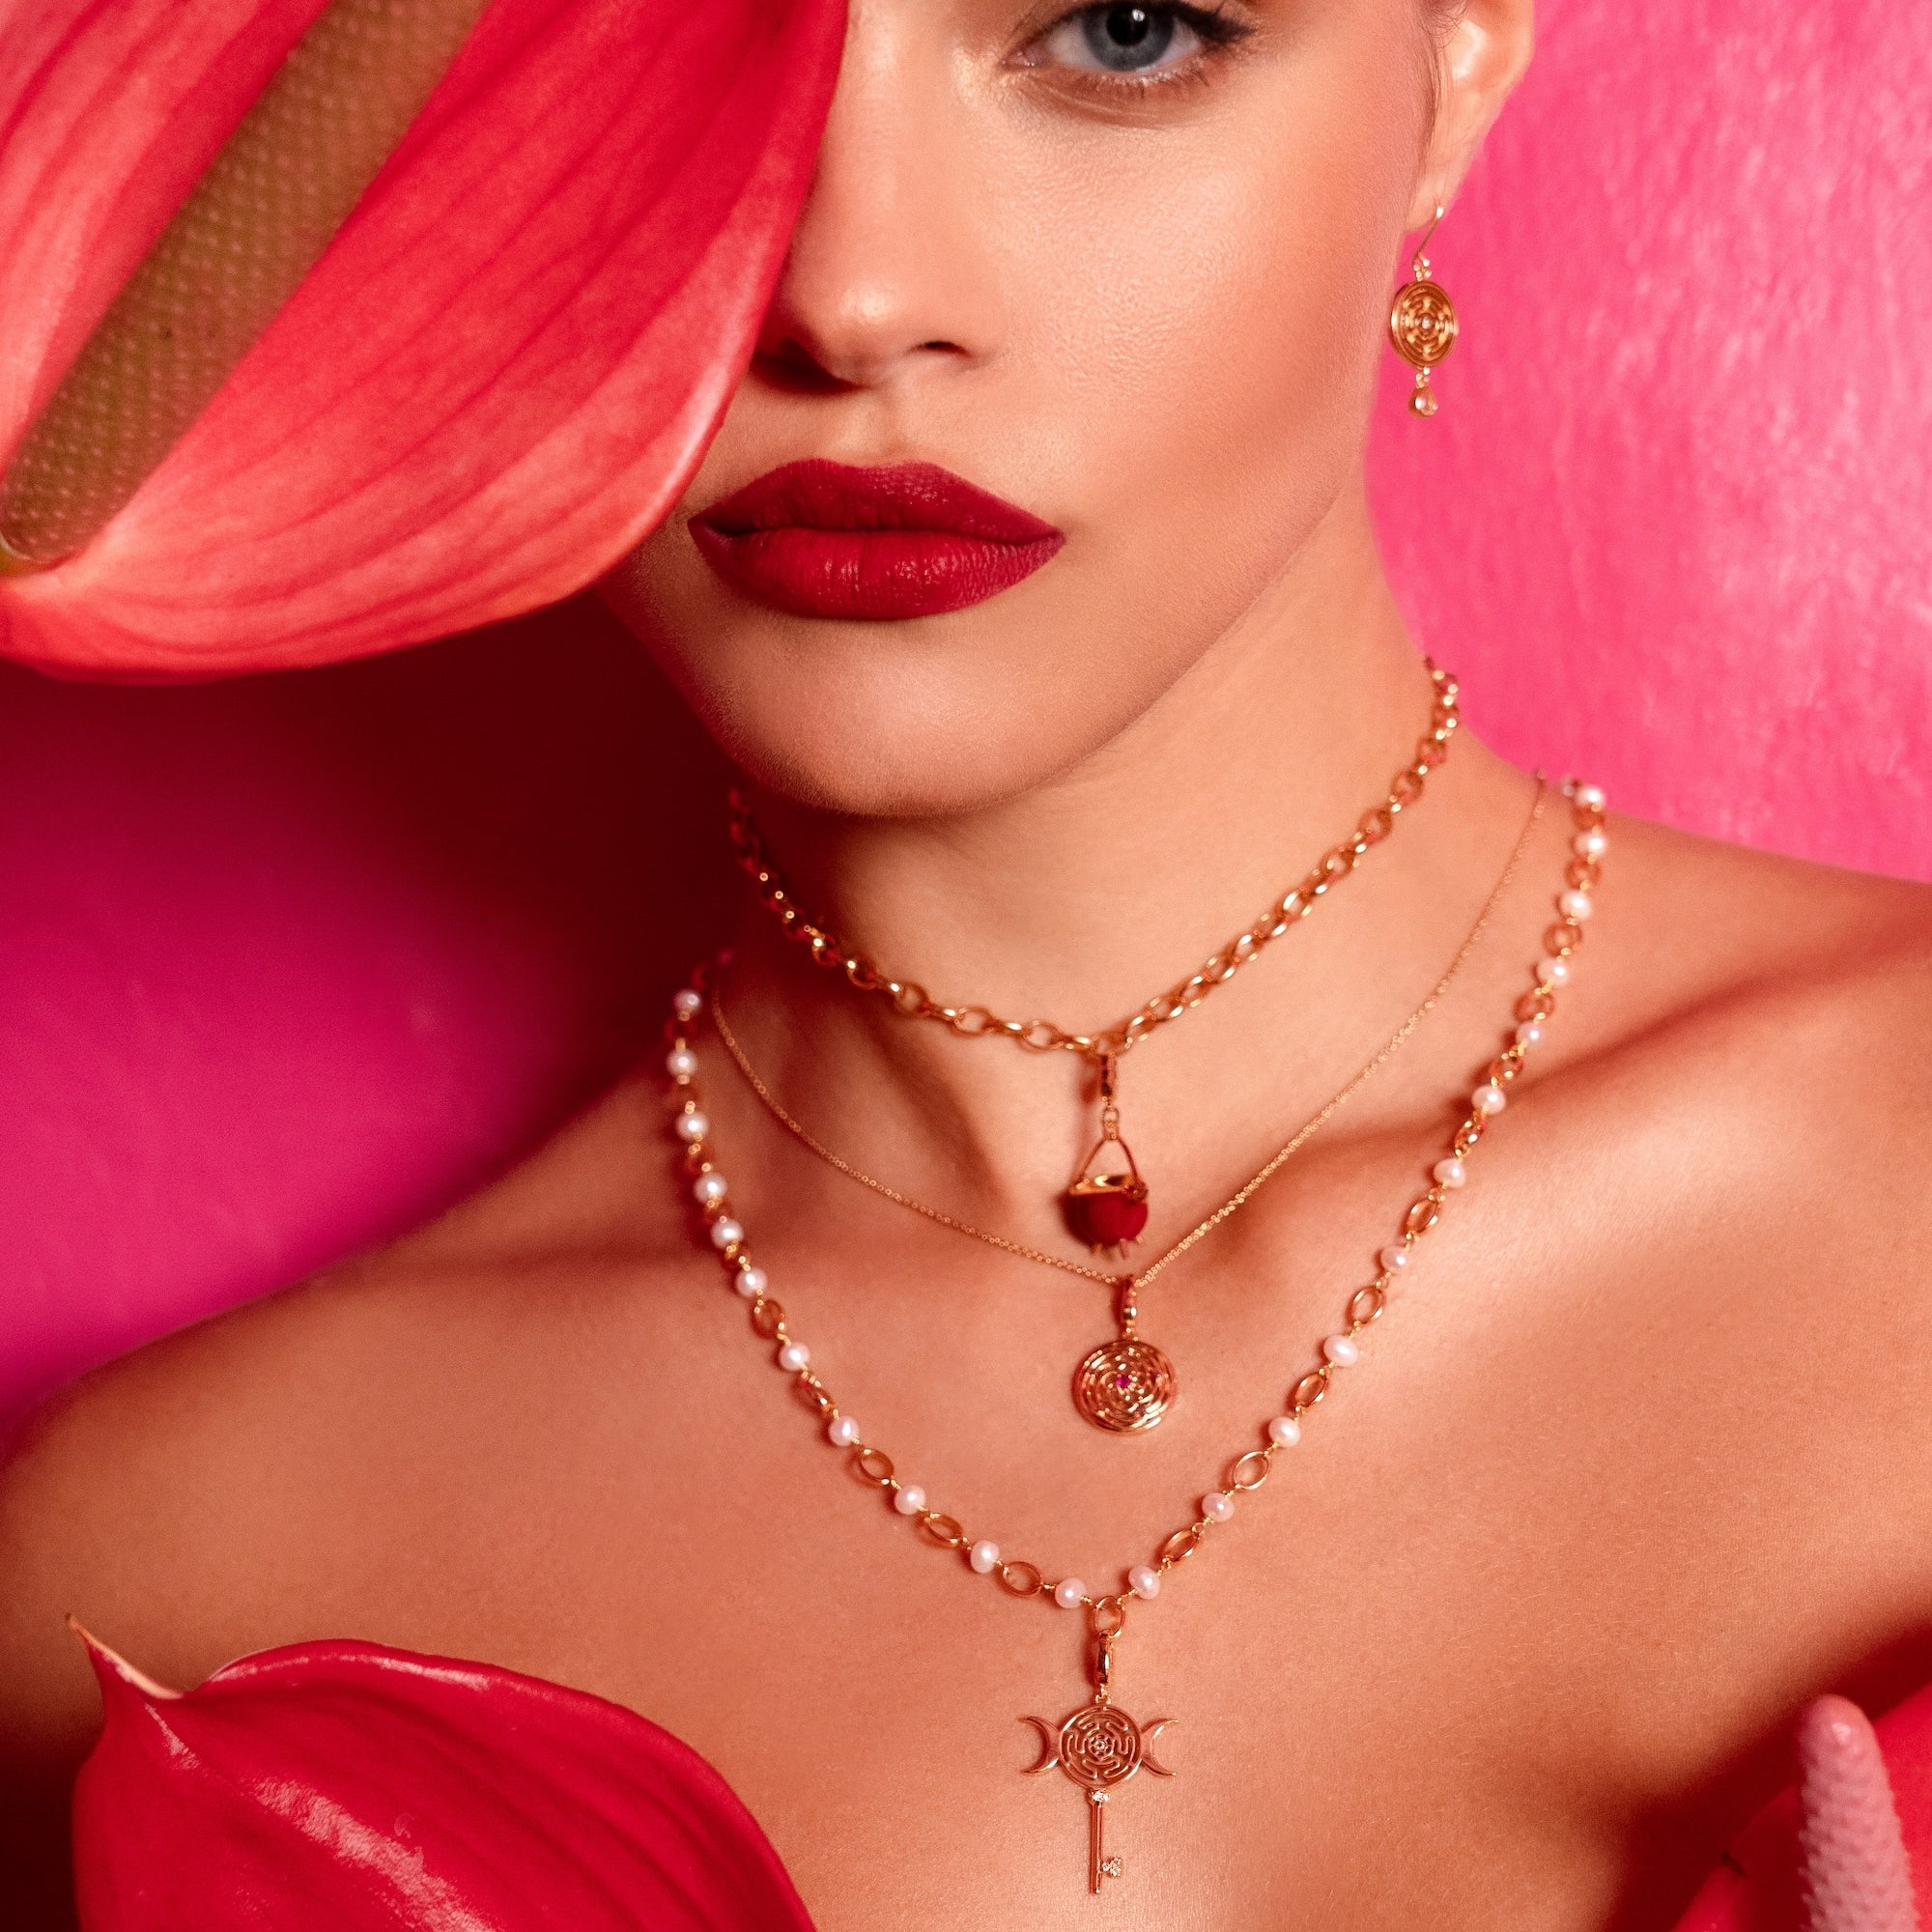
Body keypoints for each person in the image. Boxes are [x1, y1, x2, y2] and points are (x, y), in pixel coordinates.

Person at [4, 1, 1930, 1924]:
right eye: (659, 48)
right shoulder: (178, 1588)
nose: (851, 300)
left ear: (1462, 61)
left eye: (1123, 31)